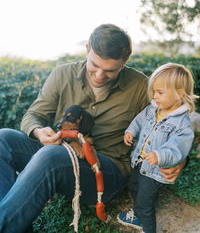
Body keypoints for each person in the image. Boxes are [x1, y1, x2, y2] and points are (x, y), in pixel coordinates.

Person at [0, 24, 185, 233]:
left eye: (109, 70)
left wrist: (178, 158)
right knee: (3, 139)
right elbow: (33, 115)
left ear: (125, 61)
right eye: (94, 65)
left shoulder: (141, 87)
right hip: (62, 154)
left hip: (105, 170)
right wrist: (37, 131)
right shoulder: (62, 74)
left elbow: (173, 123)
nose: (99, 75)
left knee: (52, 156)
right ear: (87, 49)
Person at [117, 63, 196, 233]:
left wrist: (160, 156)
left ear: (179, 94)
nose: (154, 96)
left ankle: (147, 226)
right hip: (139, 162)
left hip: (154, 171)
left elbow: (178, 148)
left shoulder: (182, 124)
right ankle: (137, 215)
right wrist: (131, 131)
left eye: (160, 93)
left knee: (146, 204)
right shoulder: (153, 109)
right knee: (134, 187)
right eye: (153, 91)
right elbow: (139, 120)